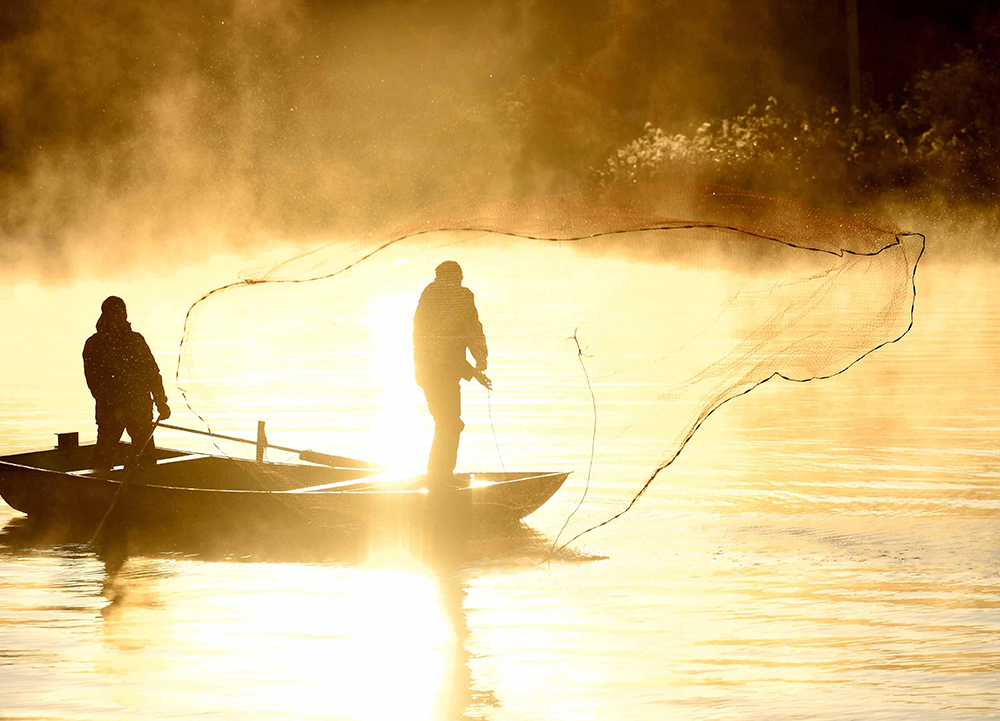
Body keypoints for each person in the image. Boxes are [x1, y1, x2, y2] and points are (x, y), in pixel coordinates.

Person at [413, 261, 488, 489]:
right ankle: (439, 476)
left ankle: (440, 474)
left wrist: (473, 369)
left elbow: (437, 339)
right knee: (450, 423)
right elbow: (471, 329)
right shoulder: (461, 297)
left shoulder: (428, 295)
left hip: (429, 373)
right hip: (442, 373)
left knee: (447, 422)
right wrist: (480, 359)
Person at [83, 296, 170, 473]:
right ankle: (97, 489)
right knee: (104, 457)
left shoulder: (136, 341)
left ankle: (144, 487)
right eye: (115, 313)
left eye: (121, 313)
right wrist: (115, 407)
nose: (118, 317)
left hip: (139, 409)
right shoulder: (94, 344)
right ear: (106, 315)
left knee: (145, 458)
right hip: (111, 412)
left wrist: (161, 402)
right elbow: (95, 384)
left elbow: (153, 374)